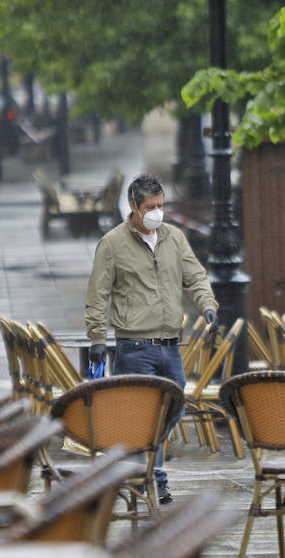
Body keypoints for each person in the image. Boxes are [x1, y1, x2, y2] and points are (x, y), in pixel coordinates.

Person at [84, 173, 218, 505]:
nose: (158, 212)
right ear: (134, 206)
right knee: (141, 415)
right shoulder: (113, 244)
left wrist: (208, 306)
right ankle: (154, 477)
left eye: (161, 205)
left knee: (174, 408)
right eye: (151, 207)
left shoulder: (174, 238)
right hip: (134, 347)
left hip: (170, 345)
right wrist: (98, 338)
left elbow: (195, 276)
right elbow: (97, 295)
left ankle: (143, 469)